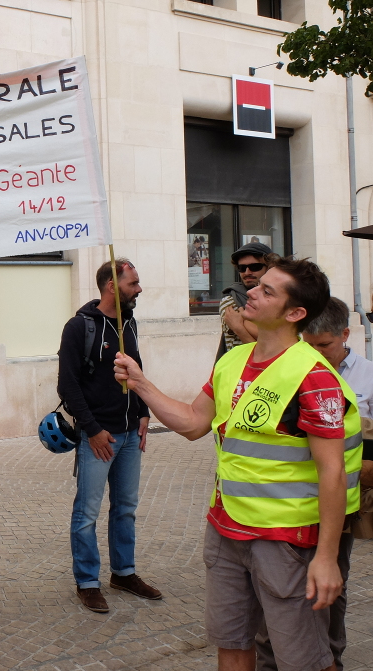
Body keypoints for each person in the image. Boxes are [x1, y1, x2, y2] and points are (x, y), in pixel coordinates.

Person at [114, 257, 362, 671]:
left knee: (303, 660)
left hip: (285, 541)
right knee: (231, 645)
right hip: (226, 530)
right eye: (257, 284)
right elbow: (193, 423)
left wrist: (326, 556)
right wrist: (140, 383)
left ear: (295, 313)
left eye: (268, 290)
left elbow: (332, 473)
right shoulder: (233, 360)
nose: (252, 291)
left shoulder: (314, 377)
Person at [252, 297, 373, 671]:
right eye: (310, 345)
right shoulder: (295, 369)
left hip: (343, 503)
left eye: (326, 346)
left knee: (330, 584)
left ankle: (329, 655)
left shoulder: (367, 375)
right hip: (291, 508)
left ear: (345, 335)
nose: (318, 353)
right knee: (278, 589)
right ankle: (272, 658)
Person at [56, 258, 159, 613]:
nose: (139, 289)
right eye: (134, 283)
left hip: (130, 434)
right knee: (87, 512)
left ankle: (124, 573)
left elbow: (136, 369)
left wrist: (143, 412)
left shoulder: (128, 321)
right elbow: (67, 385)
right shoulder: (79, 327)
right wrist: (94, 430)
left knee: (126, 509)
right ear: (113, 286)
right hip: (99, 437)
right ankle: (87, 581)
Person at [219, 242, 273, 359]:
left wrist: (238, 326)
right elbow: (267, 343)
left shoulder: (281, 296)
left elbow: (274, 340)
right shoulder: (231, 299)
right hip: (240, 368)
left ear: (269, 267)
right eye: (242, 268)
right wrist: (239, 329)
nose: (247, 272)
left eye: (255, 267)